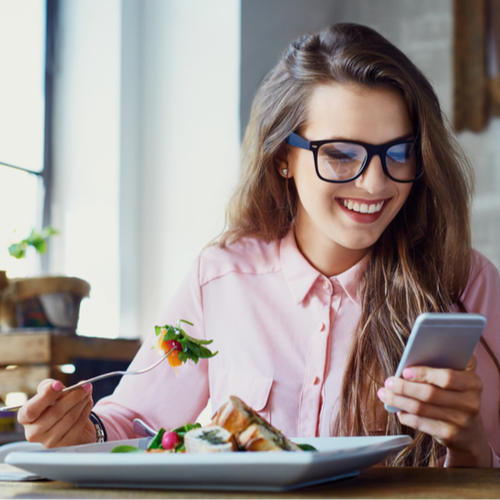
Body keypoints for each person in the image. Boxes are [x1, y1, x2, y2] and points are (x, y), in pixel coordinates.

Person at [17, 23, 500, 467]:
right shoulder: (219, 278)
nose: (374, 184)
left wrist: (468, 442)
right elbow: (133, 422)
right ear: (282, 158)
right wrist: (79, 430)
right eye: (339, 154)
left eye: (398, 153)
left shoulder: (466, 281)